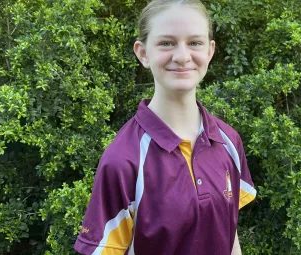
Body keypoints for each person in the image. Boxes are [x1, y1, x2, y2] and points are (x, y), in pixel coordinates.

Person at [74, 0, 257, 254]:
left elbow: (229, 233)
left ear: (210, 51)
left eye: (194, 43)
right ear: (143, 53)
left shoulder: (228, 141)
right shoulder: (123, 160)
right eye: (166, 43)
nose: (182, 56)